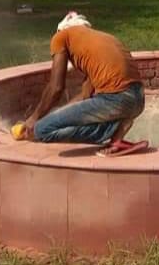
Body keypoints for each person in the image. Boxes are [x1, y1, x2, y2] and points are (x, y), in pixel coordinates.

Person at [15, 11, 148, 156]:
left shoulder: (61, 37)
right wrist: (57, 115)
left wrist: (34, 119)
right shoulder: (100, 42)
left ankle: (115, 129)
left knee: (42, 130)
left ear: (61, 29)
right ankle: (117, 137)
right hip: (138, 101)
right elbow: (85, 96)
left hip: (116, 99)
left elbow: (56, 88)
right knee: (52, 122)